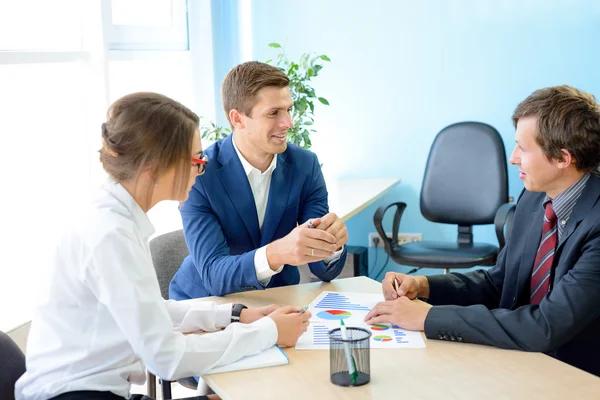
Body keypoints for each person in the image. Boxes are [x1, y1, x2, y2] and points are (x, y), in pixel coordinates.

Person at [15, 92, 311, 400]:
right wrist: (269, 333)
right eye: (196, 160)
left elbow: (152, 312)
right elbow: (167, 357)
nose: (201, 170)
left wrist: (235, 315)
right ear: (154, 168)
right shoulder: (110, 234)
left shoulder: (117, 218)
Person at [365, 85, 600, 377]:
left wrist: (430, 318)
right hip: (519, 361)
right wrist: (425, 286)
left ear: (563, 158)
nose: (513, 157)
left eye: (524, 148)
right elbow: (498, 285)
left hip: (577, 374)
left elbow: (547, 326)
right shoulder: (535, 197)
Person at [169, 61, 348, 300]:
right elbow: (213, 275)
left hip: (278, 298)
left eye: (288, 110)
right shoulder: (199, 175)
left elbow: (322, 269)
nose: (288, 123)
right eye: (273, 113)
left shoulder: (306, 165)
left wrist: (331, 245)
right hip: (205, 304)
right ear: (238, 119)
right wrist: (275, 254)